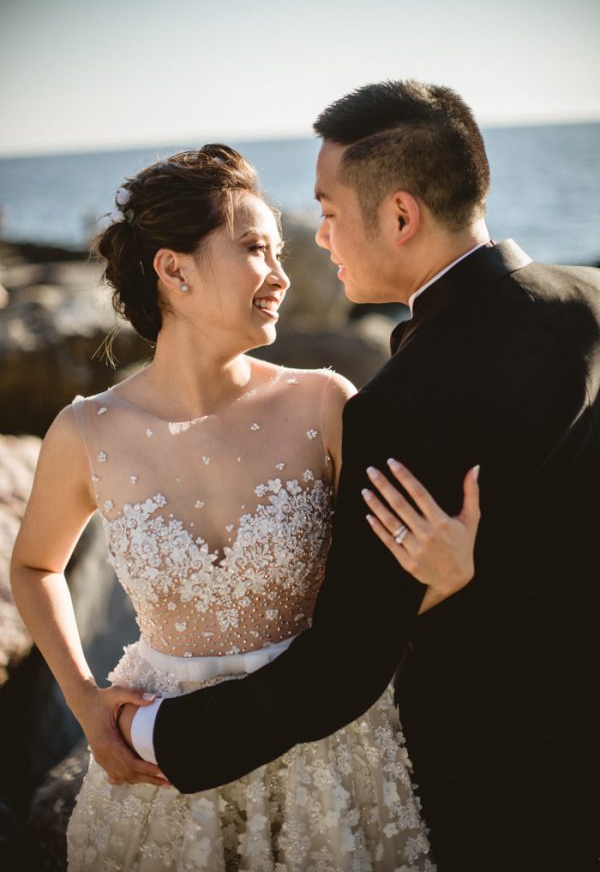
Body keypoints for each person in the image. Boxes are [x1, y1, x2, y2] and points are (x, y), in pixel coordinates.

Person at [120, 83, 600, 872]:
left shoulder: (395, 411)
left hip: (506, 768)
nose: (321, 237)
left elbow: (341, 669)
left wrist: (149, 731)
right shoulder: (590, 297)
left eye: (329, 210)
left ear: (401, 216)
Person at [10, 143, 480, 871]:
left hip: (327, 757)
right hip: (156, 760)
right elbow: (36, 564)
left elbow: (375, 592)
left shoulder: (326, 403)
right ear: (174, 269)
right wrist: (84, 699)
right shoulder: (85, 431)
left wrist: (444, 577)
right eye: (256, 248)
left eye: (280, 250)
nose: (283, 274)